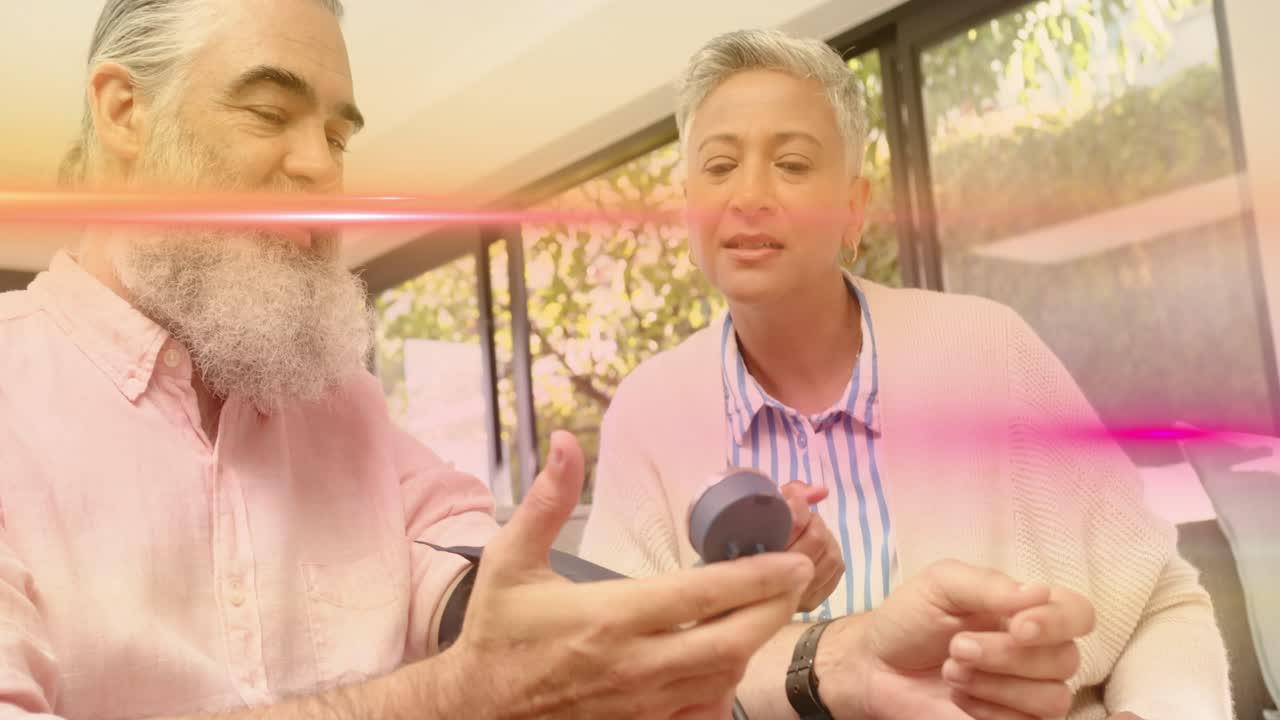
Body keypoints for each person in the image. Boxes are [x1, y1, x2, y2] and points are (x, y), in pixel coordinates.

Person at [0, 2, 821, 718]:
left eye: (336, 136)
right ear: (125, 112)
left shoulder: (341, 406)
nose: (322, 168)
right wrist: (454, 697)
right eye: (269, 113)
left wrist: (803, 651)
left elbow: (480, 586)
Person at [578, 28, 1233, 720]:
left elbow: (1160, 601)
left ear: (854, 209)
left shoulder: (988, 349)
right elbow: (609, 682)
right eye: (719, 166)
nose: (749, 194)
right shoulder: (649, 415)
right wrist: (734, 620)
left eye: (792, 164)